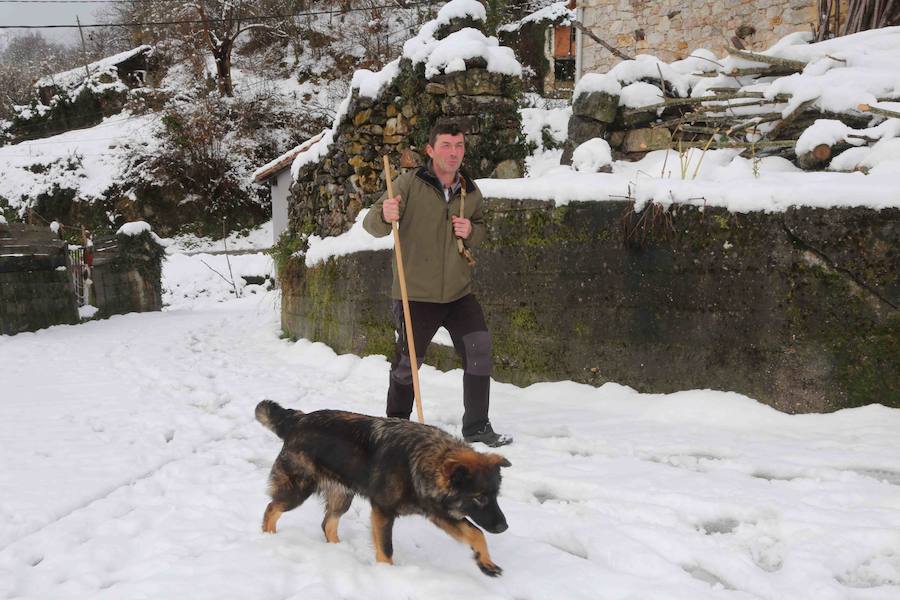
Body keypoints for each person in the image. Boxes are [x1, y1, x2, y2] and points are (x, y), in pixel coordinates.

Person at [363, 122, 512, 447]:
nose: (454, 152)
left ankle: (476, 427)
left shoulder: (470, 192)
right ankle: (395, 429)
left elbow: (483, 230)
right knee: (407, 364)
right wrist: (385, 214)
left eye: (458, 145)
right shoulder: (409, 183)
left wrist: (471, 231)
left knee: (479, 350)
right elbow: (371, 224)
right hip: (415, 293)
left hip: (459, 294)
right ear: (431, 150)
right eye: (446, 145)